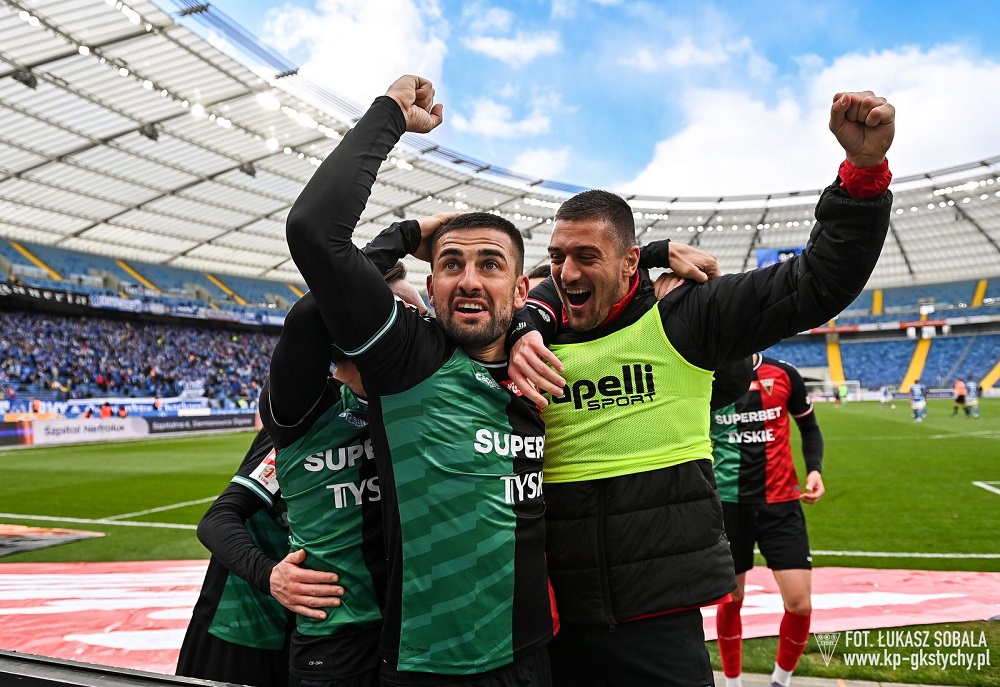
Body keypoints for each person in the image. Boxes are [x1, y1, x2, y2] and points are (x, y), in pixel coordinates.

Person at [507, 90, 894, 685]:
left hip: (661, 621)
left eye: (588, 256)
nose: (568, 272)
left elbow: (817, 281)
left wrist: (863, 175)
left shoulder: (688, 315)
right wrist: (528, 320)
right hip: (548, 621)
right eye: (558, 257)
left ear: (631, 262)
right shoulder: (523, 332)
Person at [285, 75, 554, 685]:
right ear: (429, 288)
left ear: (521, 289)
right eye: (450, 265)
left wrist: (650, 252)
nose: (468, 280)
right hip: (425, 666)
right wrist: (389, 120)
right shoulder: (406, 356)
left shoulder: (542, 359)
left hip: (532, 654)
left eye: (490, 265)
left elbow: (599, 279)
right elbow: (314, 235)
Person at [192, 250, 431, 687]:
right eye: (412, 312)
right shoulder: (306, 417)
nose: (423, 324)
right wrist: (270, 575)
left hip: (319, 623)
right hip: (247, 620)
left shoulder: (385, 408)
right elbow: (218, 519)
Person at [710, 354, 825, 687]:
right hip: (729, 505)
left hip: (781, 504)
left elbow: (810, 427)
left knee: (800, 604)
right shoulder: (708, 374)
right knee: (732, 600)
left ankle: (781, 680)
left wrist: (815, 469)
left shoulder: (785, 374)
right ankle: (733, 683)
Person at [176, 428, 293, 687]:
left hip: (303, 627)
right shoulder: (297, 424)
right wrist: (269, 574)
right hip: (239, 623)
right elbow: (216, 520)